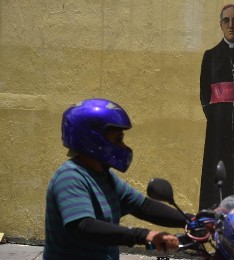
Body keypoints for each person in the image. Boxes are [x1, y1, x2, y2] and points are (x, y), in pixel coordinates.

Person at [44, 98, 187, 260]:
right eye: (118, 139)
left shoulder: (104, 176)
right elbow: (84, 226)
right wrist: (142, 235)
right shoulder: (70, 177)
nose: (124, 147)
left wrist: (191, 220)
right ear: (93, 140)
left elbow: (142, 206)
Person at [199, 4, 234, 210]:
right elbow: (204, 95)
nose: (230, 25)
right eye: (226, 21)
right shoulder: (210, 55)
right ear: (220, 25)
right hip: (217, 127)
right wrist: (218, 117)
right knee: (217, 167)